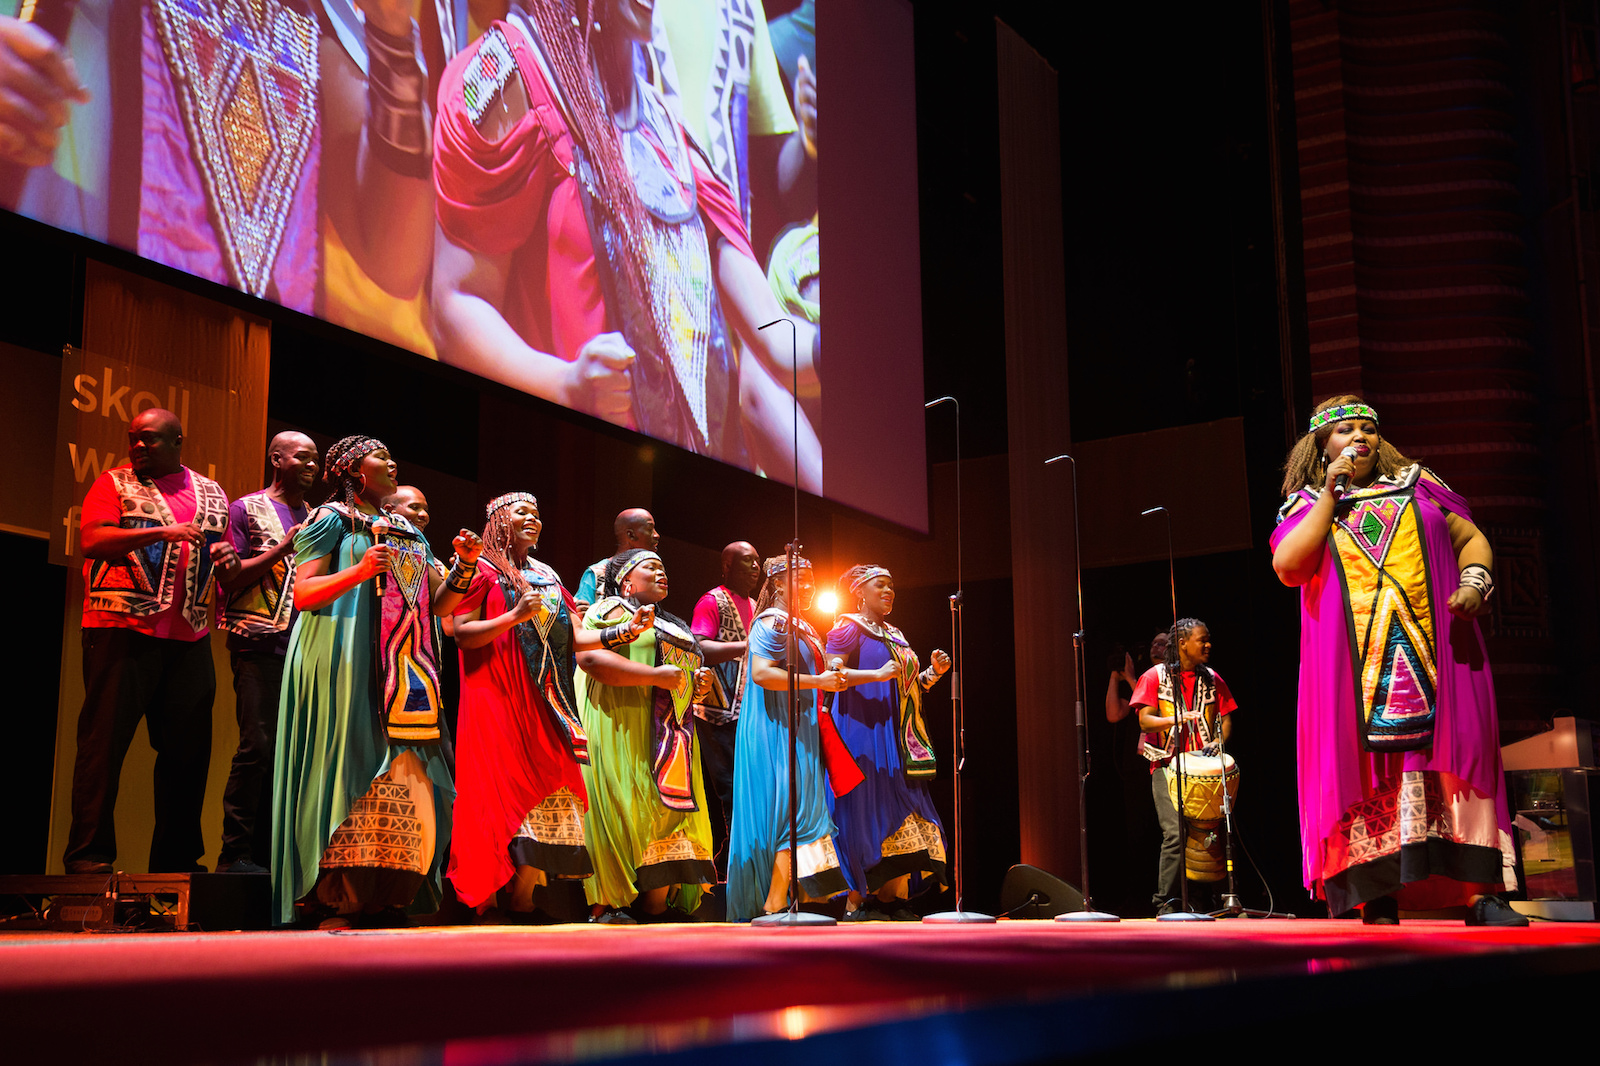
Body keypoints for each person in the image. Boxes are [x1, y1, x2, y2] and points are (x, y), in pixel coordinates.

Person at [431, 0, 822, 490]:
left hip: (688, 500)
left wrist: (834, 352)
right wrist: (565, 385)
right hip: (570, 480)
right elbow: (455, 306)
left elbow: (771, 337)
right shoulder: (509, 75)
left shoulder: (661, 126)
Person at [1270, 395, 1525, 926]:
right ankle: (1375, 894)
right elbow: (1290, 567)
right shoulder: (1304, 505)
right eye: (1344, 432)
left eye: (1367, 429)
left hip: (1442, 655)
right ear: (1321, 448)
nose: (1359, 437)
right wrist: (1327, 497)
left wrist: (1475, 583)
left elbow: (1470, 539)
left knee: (1462, 759)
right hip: (1351, 668)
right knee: (1364, 771)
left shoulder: (1421, 484)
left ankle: (1481, 893)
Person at [271, 434, 480, 927]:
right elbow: (303, 593)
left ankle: (385, 895)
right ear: (352, 470)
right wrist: (362, 570)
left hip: (404, 667)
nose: (392, 461)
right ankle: (333, 898)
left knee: (408, 775)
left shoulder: (407, 531)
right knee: (349, 767)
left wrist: (465, 567)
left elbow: (441, 604)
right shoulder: (329, 520)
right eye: (380, 455)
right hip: (342, 651)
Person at [448, 491, 650, 915]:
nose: (533, 519)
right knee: (496, 789)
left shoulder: (547, 574)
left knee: (546, 789)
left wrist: (624, 632)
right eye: (522, 511)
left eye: (538, 514)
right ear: (497, 519)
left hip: (548, 697)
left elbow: (575, 636)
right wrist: (512, 617)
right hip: (497, 693)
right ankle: (484, 901)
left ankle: (523, 900)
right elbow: (462, 633)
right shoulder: (479, 568)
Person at [66, 407, 239, 874]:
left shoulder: (211, 492)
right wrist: (165, 531)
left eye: (150, 440)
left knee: (187, 756)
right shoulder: (114, 483)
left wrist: (226, 559)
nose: (139, 447)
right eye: (133, 439)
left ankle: (176, 863)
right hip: (121, 629)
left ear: (177, 442)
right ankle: (89, 860)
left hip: (189, 635)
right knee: (103, 750)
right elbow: (93, 540)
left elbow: (221, 558)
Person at [574, 546, 722, 922]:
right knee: (625, 805)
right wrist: (655, 677)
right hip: (622, 722)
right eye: (651, 567)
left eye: (663, 568)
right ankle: (609, 903)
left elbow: (681, 677)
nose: (661, 573)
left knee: (665, 813)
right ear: (626, 580)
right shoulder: (610, 611)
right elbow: (589, 659)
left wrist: (698, 684)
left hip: (671, 736)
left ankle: (656, 905)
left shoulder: (674, 624)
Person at [213, 431, 319, 874]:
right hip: (259, 643)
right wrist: (283, 547)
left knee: (295, 754)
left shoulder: (318, 516)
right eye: (302, 457)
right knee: (257, 746)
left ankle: (274, 856)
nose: (312, 465)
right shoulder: (246, 508)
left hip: (306, 646)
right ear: (276, 459)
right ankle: (235, 853)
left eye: (316, 459)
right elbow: (231, 579)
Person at [725, 553, 852, 921]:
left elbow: (826, 674)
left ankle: (799, 899)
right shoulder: (772, 622)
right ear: (778, 583)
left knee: (806, 806)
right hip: (777, 727)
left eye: (812, 579)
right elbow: (762, 674)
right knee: (792, 809)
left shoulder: (805, 626)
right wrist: (817, 681)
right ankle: (774, 903)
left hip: (803, 727)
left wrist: (865, 674)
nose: (809, 585)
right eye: (801, 578)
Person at [825, 564, 951, 920]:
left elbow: (907, 686)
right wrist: (874, 675)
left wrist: (932, 674)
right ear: (860, 591)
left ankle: (891, 898)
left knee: (903, 808)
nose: (889, 591)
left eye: (892, 586)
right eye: (881, 585)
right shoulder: (847, 627)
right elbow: (833, 674)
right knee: (864, 808)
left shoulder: (896, 634)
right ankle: (856, 900)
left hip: (897, 736)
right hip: (860, 731)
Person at [1130, 618, 1235, 914]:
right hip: (1166, 767)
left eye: (1208, 639)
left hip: (1204, 769)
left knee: (1208, 834)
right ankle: (1165, 901)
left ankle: (1211, 901)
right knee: (1175, 834)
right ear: (1182, 644)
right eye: (1202, 640)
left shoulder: (1212, 678)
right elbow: (1144, 719)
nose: (1207, 644)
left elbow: (1226, 718)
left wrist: (1219, 741)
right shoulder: (1154, 676)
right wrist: (1175, 719)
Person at [689, 539, 760, 876]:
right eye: (747, 561)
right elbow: (698, 646)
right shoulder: (712, 600)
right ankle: (732, 866)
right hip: (717, 712)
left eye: (758, 561)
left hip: (749, 714)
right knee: (730, 789)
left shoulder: (758, 605)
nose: (755, 567)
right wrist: (747, 645)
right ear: (727, 567)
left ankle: (740, 859)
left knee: (748, 788)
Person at [573, 508, 659, 616]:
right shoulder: (598, 573)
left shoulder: (650, 575)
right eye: (650, 529)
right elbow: (580, 617)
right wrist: (579, 613)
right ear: (631, 535)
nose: (656, 535)